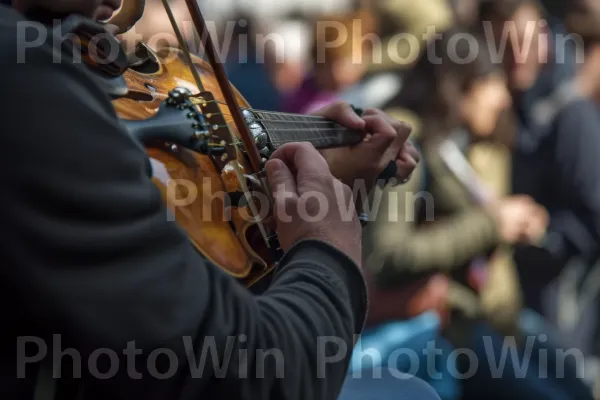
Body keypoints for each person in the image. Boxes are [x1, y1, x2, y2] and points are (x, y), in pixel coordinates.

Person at [0, 1, 420, 399]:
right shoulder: (25, 85)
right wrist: (329, 246)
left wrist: (316, 166)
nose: (120, 8)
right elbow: (259, 374)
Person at [364, 30, 593, 400]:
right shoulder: (404, 141)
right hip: (444, 332)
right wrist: (491, 224)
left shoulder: (448, 140)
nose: (503, 98)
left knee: (577, 386)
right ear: (460, 86)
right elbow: (388, 254)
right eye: (491, 83)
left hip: (480, 321)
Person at [478, 0, 600, 371]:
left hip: (557, 305)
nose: (517, 56)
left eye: (526, 42)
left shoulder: (570, 115)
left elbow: (593, 217)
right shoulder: (490, 109)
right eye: (505, 44)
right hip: (498, 303)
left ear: (545, 40)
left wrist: (544, 232)